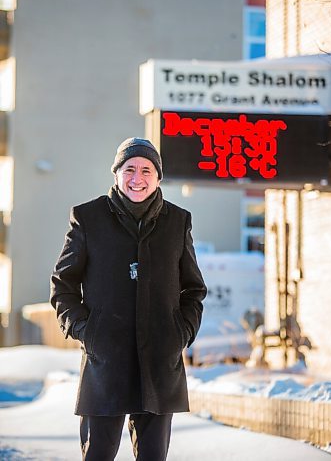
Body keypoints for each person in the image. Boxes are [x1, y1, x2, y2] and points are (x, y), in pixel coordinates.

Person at [50, 137, 207, 461]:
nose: (138, 178)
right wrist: (86, 331)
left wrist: (182, 332)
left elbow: (193, 289)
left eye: (146, 170)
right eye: (130, 169)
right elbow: (63, 285)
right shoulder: (88, 218)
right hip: (105, 362)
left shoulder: (178, 221)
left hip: (160, 365)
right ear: (116, 174)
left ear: (158, 177)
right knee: (98, 455)